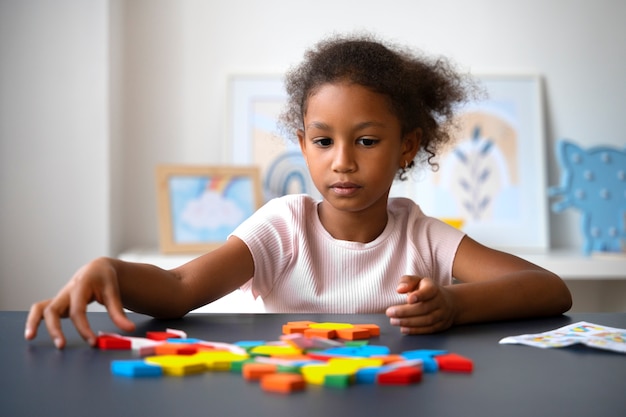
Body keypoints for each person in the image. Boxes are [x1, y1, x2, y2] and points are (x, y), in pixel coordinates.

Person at [25, 33, 572, 349]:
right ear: (302, 143)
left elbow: (548, 288)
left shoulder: (422, 235)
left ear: (408, 147)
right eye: (323, 140)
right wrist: (112, 272)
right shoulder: (283, 226)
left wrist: (452, 303)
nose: (343, 162)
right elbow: (180, 288)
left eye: (366, 140)